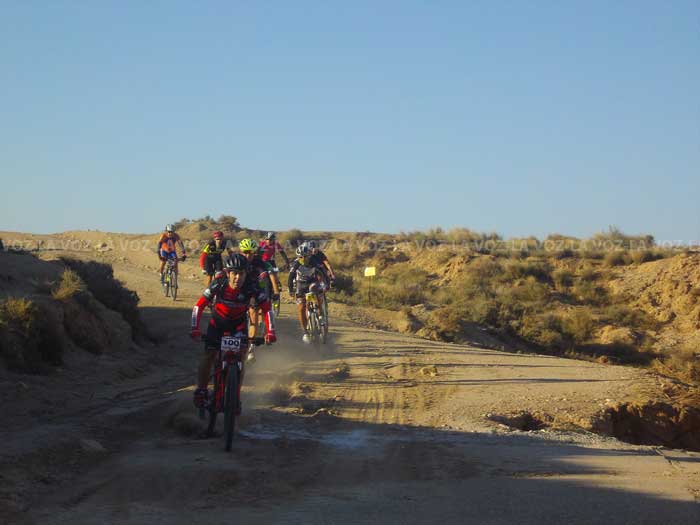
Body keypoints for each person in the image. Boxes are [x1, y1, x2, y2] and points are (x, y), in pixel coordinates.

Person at [189, 254, 276, 411]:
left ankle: (235, 396)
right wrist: (195, 328)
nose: (238, 278)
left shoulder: (251, 286)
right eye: (234, 273)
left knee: (240, 359)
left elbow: (266, 309)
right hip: (217, 325)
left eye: (241, 273)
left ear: (246, 274)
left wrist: (270, 331)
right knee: (209, 354)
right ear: (228, 273)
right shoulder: (219, 284)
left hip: (238, 327)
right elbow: (198, 306)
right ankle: (201, 390)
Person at [288, 243, 327, 343]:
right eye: (301, 257)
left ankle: (320, 315)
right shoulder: (296, 263)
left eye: (305, 256)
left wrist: (325, 284)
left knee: (316, 292)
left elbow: (322, 272)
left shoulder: (313, 261)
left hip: (312, 282)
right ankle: (305, 332)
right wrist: (291, 290)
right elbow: (290, 277)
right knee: (301, 307)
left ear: (309, 255)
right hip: (300, 285)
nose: (303, 259)